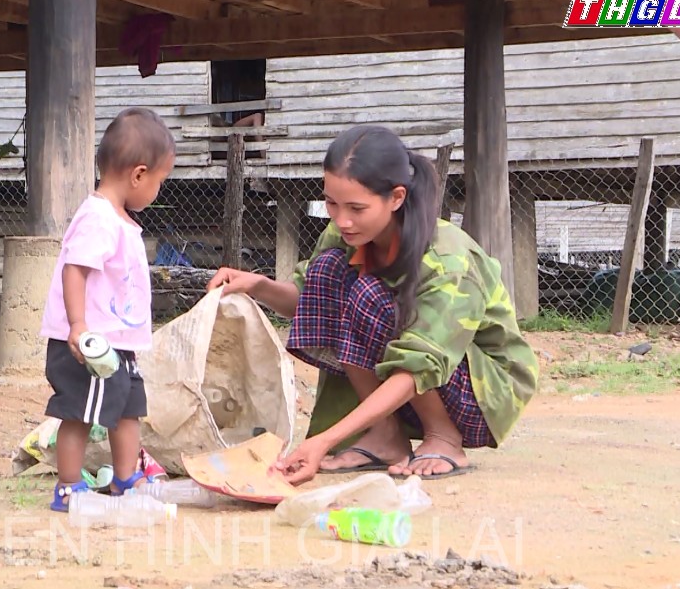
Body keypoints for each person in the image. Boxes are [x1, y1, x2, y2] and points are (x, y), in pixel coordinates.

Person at [206, 124, 538, 485]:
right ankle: (385, 435)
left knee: (367, 295)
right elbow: (313, 304)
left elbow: (421, 365)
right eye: (331, 203)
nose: (341, 219)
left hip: (482, 392)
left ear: (396, 198)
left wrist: (325, 440)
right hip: (409, 385)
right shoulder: (345, 235)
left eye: (356, 208)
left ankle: (444, 438)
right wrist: (257, 285)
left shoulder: (448, 259)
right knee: (329, 271)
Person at [39, 107, 177, 511]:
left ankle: (125, 480)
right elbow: (75, 270)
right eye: (160, 181)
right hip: (91, 343)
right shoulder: (97, 217)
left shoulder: (120, 219)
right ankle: (68, 488)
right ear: (138, 174)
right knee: (80, 412)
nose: (157, 191)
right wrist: (78, 325)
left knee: (128, 409)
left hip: (119, 342)